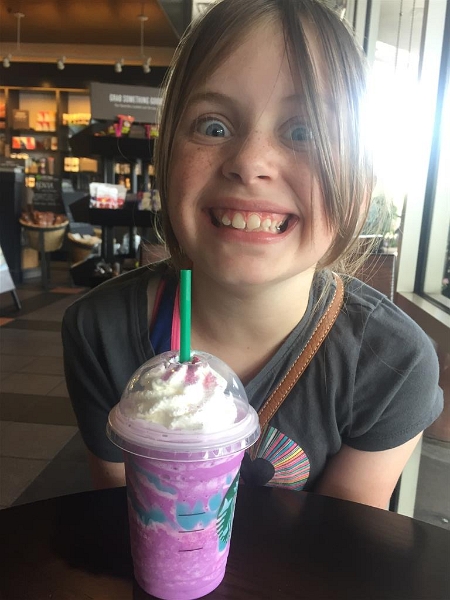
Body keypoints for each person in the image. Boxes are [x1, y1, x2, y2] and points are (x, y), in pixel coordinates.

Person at [62, 0, 443, 509]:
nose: (249, 161)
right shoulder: (100, 331)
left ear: (360, 183)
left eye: (304, 131)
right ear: (166, 158)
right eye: (213, 126)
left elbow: (340, 542)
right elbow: (124, 518)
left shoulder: (391, 362)